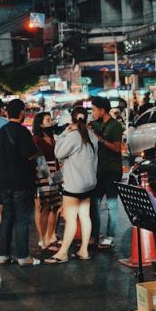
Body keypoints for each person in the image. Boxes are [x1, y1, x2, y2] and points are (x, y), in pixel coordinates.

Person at [47, 108, 98, 263]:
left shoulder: (73, 135)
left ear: (72, 119)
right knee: (84, 216)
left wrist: (64, 133)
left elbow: (58, 153)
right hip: (89, 184)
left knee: (70, 219)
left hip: (74, 185)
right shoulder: (92, 135)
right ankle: (84, 250)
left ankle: (62, 253)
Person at [0, 98, 42, 266]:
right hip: (21, 181)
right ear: (22, 113)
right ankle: (23, 256)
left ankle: (4, 254)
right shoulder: (22, 132)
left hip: (4, 181)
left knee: (7, 217)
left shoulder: (2, 131)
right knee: (22, 219)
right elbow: (29, 154)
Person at [89, 97, 124, 250]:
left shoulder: (115, 126)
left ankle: (110, 236)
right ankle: (94, 235)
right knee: (94, 203)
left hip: (112, 170)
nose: (92, 112)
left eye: (94, 109)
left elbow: (117, 148)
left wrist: (100, 139)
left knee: (111, 204)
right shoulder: (95, 124)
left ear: (102, 110)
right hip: (98, 170)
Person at [31, 111, 61, 252]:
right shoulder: (36, 139)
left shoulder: (51, 137)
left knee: (54, 206)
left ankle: (50, 236)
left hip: (55, 172)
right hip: (43, 175)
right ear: (40, 123)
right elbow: (38, 161)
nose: (51, 121)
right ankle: (42, 239)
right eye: (48, 120)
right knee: (44, 207)